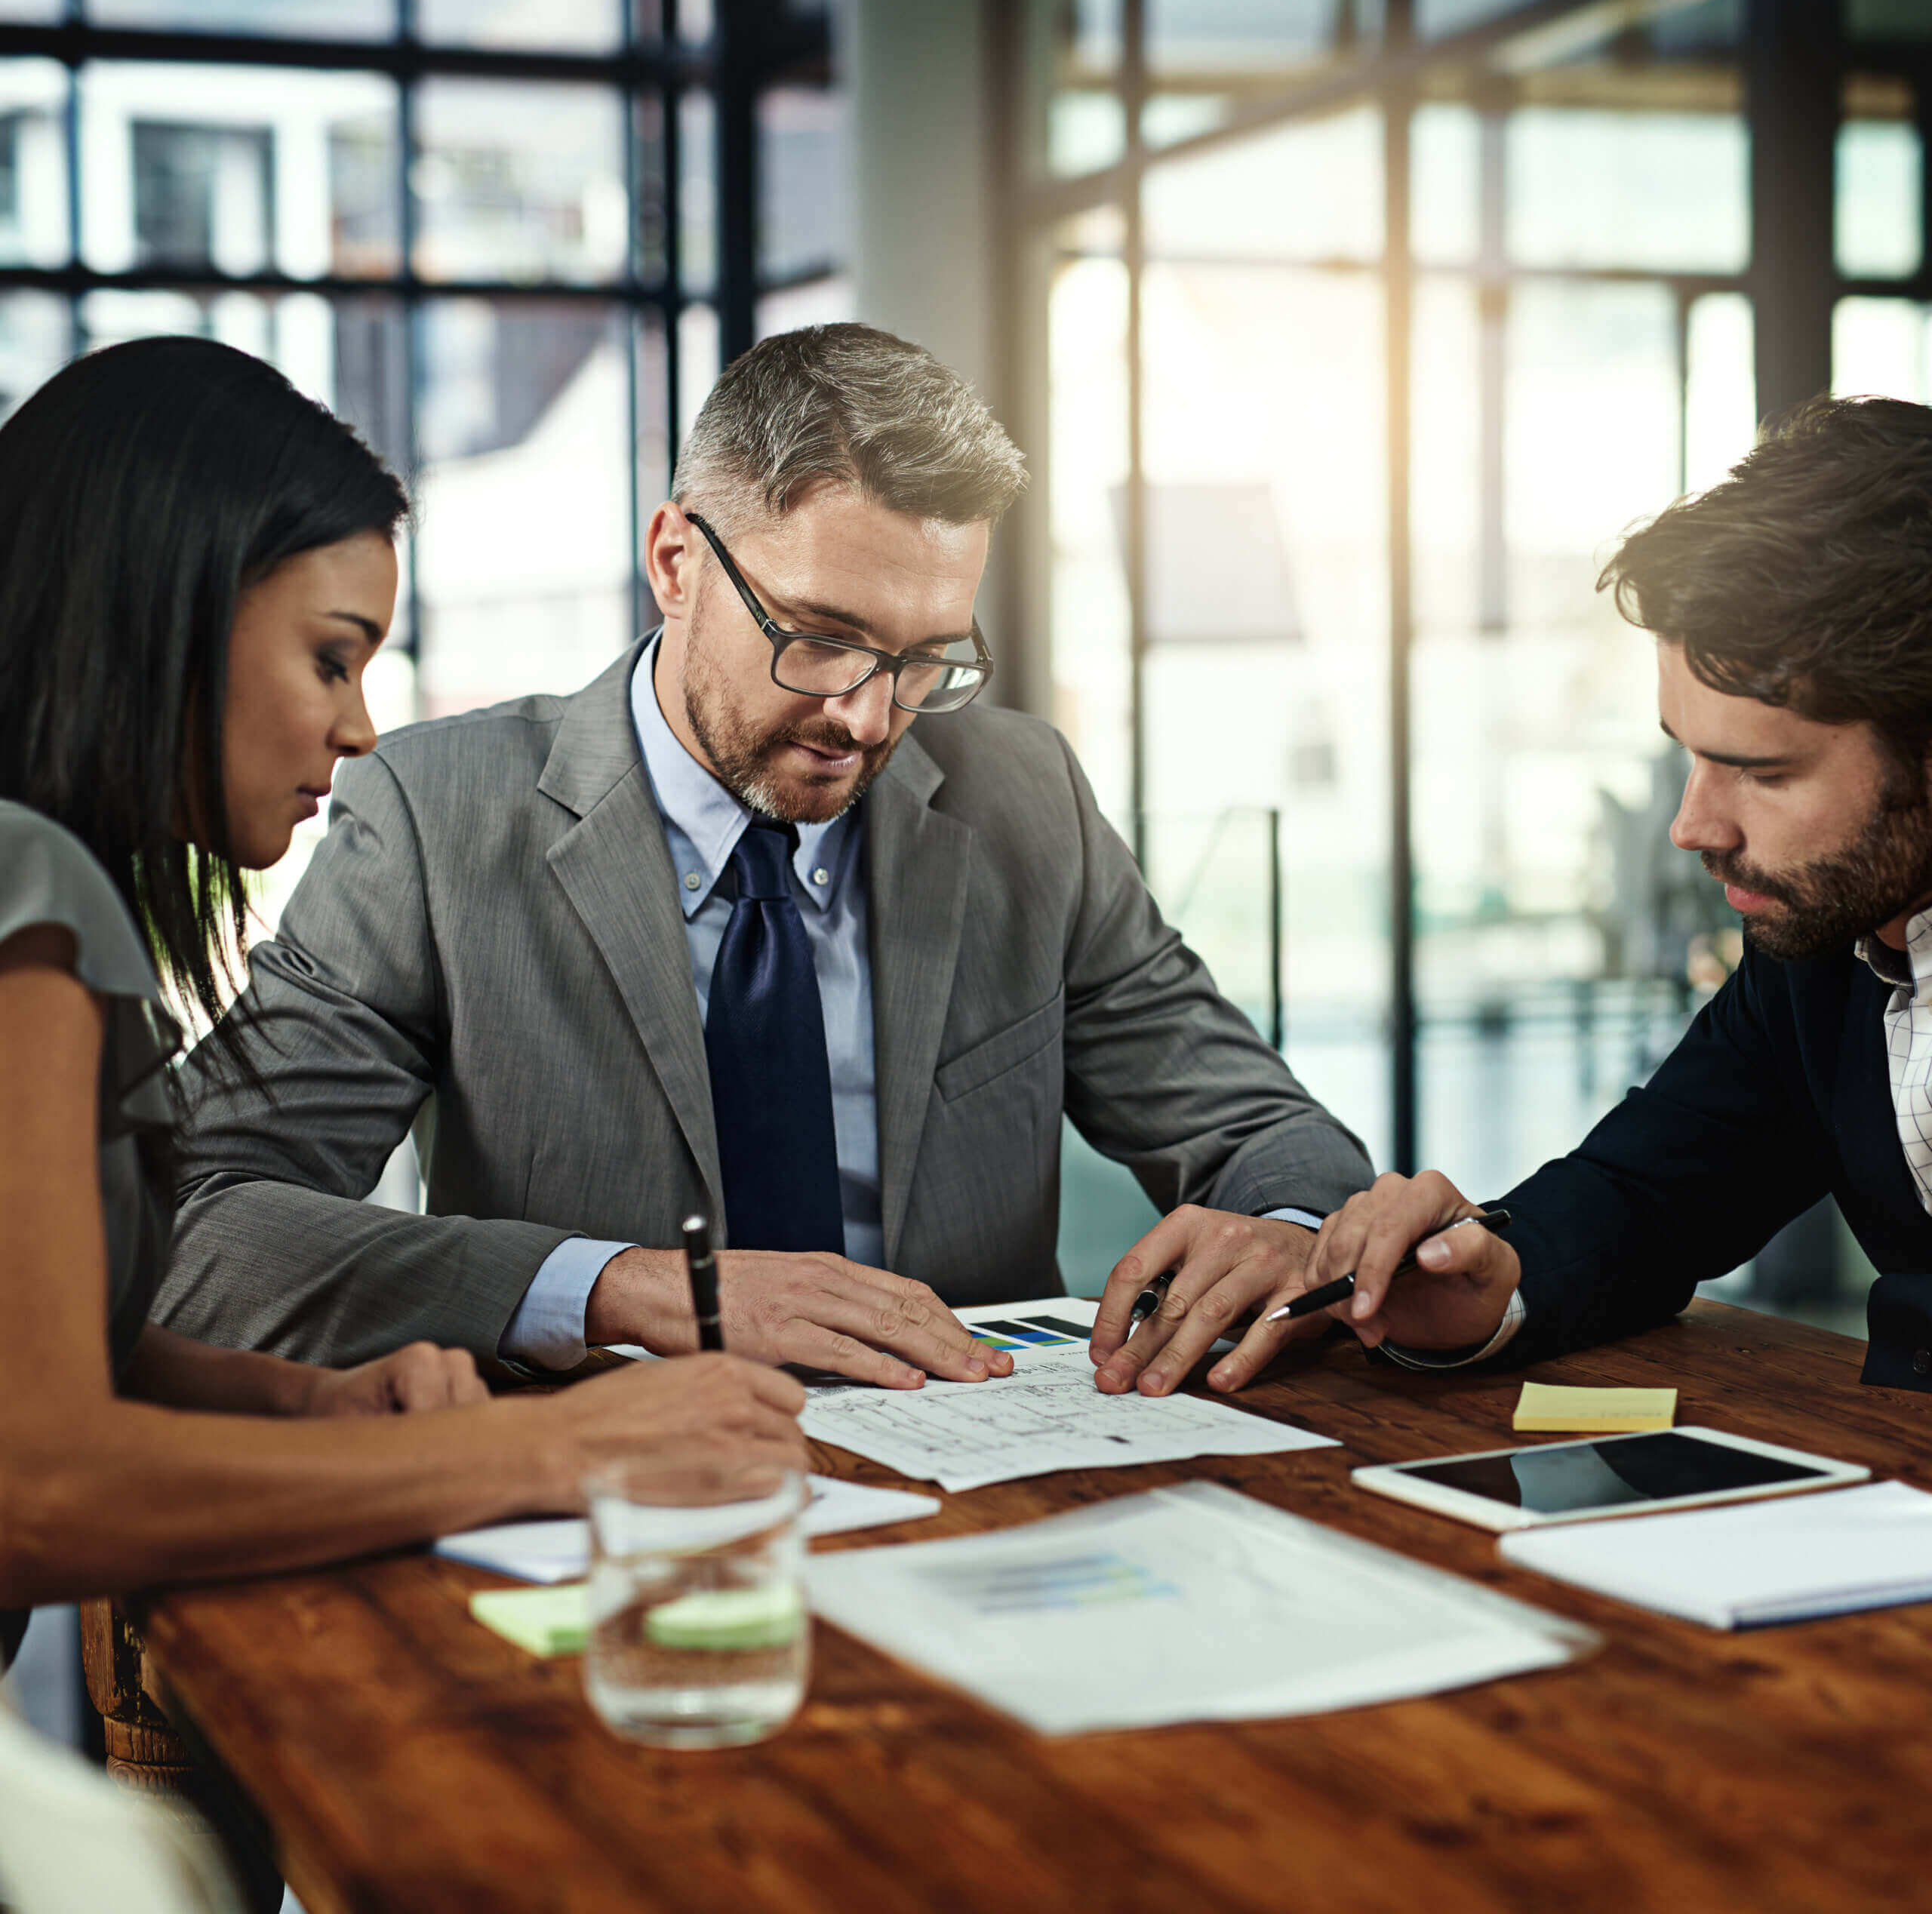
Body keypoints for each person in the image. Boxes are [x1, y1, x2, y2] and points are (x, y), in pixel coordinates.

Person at [153, 323, 1374, 1390]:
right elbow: (202, 1228)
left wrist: (1281, 1224)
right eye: (823, 638)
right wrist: (628, 1290)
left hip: (988, 1471)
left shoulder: (1021, 798)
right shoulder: (439, 814)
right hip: (614, 1492)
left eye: (924, 657)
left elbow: (1271, 1132)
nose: (869, 716)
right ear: (677, 563)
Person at [0, 337, 804, 1669]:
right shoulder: (32, 890)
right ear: (159, 619)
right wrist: (546, 1444)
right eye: (331, 658)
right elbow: (38, 1487)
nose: (361, 728)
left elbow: (48, 1351)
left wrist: (309, 1406)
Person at [1096, 393, 1932, 1399]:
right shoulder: (1818, 957)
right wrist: (1485, 1282)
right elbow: (1645, 1194)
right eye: (1689, 759)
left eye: (1761, 772)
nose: (1693, 827)